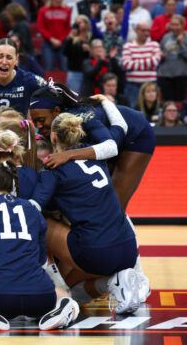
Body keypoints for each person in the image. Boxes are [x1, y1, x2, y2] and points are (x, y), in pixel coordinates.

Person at [29, 112, 142, 314]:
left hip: (96, 252)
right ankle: (114, 282)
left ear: (53, 137)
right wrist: (102, 105)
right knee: (77, 292)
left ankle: (57, 293)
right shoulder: (98, 156)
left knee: (39, 221)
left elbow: (32, 208)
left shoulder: (53, 170)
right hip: (128, 249)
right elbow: (119, 128)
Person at [0, 160, 80, 331]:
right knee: (66, 297)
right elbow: (42, 262)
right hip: (39, 297)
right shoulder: (31, 208)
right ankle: (60, 312)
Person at [29, 84, 156, 214]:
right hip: (109, 138)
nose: (38, 126)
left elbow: (111, 147)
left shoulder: (83, 115)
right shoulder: (55, 124)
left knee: (114, 205)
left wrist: (67, 155)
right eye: (35, 121)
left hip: (135, 135)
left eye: (41, 120)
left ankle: (124, 232)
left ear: (56, 111)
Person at [122, 22, 161, 108]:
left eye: (148, 31)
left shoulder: (154, 45)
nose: (146, 33)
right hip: (133, 86)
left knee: (152, 109)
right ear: (136, 30)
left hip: (150, 85)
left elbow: (156, 61)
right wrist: (148, 62)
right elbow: (127, 65)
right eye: (143, 30)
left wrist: (136, 62)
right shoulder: (128, 46)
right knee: (132, 110)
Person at [157, 15, 187, 102]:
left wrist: (181, 44)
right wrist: (161, 55)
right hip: (165, 76)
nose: (174, 27)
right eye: (173, 25)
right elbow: (160, 52)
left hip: (181, 76)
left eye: (177, 25)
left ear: (182, 25)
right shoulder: (166, 37)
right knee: (167, 102)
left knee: (179, 104)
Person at [37, 0, 71, 71]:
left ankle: (63, 84)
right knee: (48, 70)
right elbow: (41, 28)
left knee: (64, 69)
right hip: (48, 43)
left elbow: (68, 29)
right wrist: (52, 39)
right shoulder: (43, 10)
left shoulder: (67, 10)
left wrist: (60, 40)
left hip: (63, 44)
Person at [63, 15, 92, 93]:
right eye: (76, 23)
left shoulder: (91, 37)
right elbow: (65, 53)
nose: (77, 25)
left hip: (89, 72)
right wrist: (70, 39)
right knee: (74, 96)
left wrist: (90, 50)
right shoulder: (71, 38)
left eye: (80, 23)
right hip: (74, 71)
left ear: (86, 24)